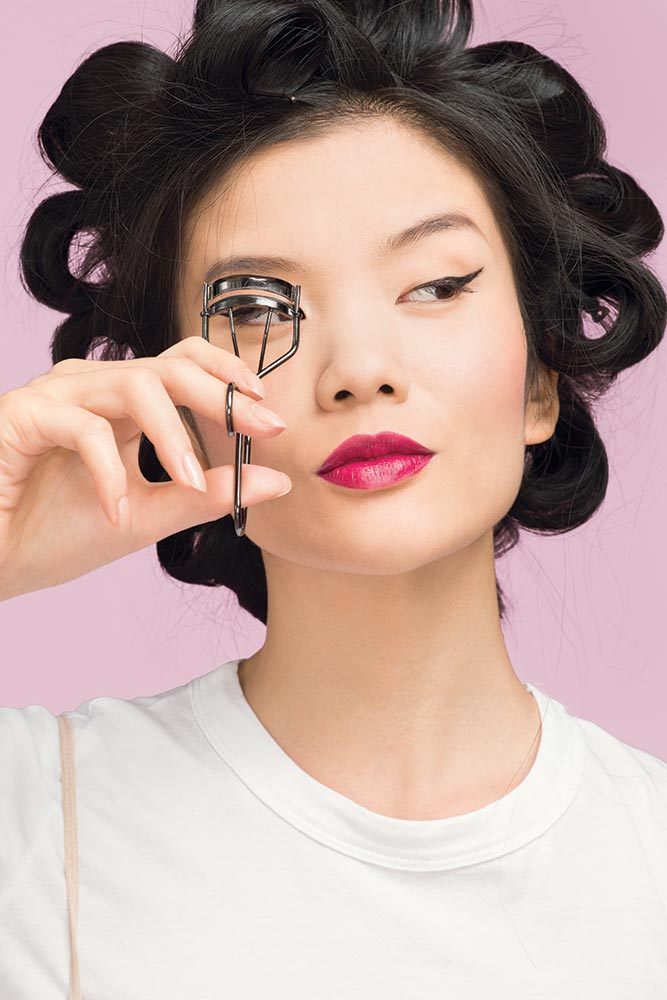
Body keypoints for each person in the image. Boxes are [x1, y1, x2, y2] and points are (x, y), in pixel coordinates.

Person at [1, 0, 666, 995]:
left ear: (540, 381)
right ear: (176, 392)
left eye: (436, 285)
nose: (358, 370)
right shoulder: (35, 821)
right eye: (260, 307)